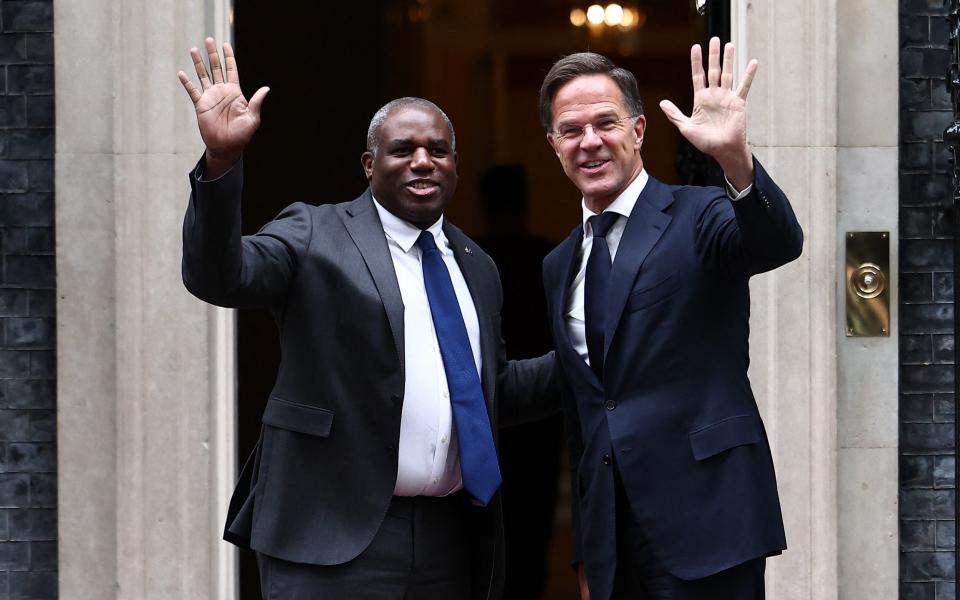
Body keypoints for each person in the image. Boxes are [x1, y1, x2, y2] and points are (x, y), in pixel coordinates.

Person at [177, 38, 555, 600]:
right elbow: (219, 277)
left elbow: (489, 392)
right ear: (369, 164)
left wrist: (592, 347)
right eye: (403, 149)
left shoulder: (477, 265)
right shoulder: (315, 232)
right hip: (330, 536)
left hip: (448, 539)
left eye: (439, 149)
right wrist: (223, 163)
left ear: (455, 164)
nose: (423, 161)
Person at [538, 39, 803, 599]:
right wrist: (586, 549)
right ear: (554, 146)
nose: (590, 141)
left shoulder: (698, 213)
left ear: (638, 131)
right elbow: (585, 415)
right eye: (571, 130)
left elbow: (776, 243)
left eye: (605, 123)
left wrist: (735, 159)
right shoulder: (559, 263)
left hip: (708, 521)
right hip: (614, 541)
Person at [475, 165, 563, 600]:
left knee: (492, 534)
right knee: (532, 530)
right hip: (538, 418)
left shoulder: (471, 257)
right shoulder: (543, 258)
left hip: (489, 416)